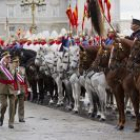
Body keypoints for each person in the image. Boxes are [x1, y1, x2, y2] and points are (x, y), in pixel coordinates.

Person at [0, 51, 17, 129]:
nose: (9, 58)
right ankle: (1, 116)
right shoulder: (0, 67)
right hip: (2, 88)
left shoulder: (13, 66)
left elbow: (15, 78)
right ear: (3, 58)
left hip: (12, 88)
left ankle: (11, 122)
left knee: (12, 105)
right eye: (7, 57)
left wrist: (17, 89)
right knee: (4, 105)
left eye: (9, 57)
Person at [12, 56, 27, 123]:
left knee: (22, 105)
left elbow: (25, 79)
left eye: (18, 61)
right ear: (13, 62)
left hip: (22, 88)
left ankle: (21, 117)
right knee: (14, 104)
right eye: (15, 62)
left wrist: (27, 89)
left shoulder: (22, 69)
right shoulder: (10, 69)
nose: (17, 63)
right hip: (14, 89)